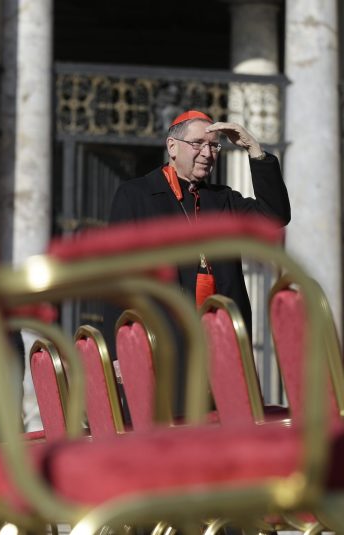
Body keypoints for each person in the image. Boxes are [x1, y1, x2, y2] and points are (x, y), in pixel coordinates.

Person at [105, 110, 291, 414]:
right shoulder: (135, 195)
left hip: (224, 346)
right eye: (197, 144)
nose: (207, 153)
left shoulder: (224, 200)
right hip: (163, 345)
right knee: (172, 442)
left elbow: (275, 216)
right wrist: (118, 350)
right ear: (172, 146)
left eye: (214, 146)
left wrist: (253, 150)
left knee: (228, 440)